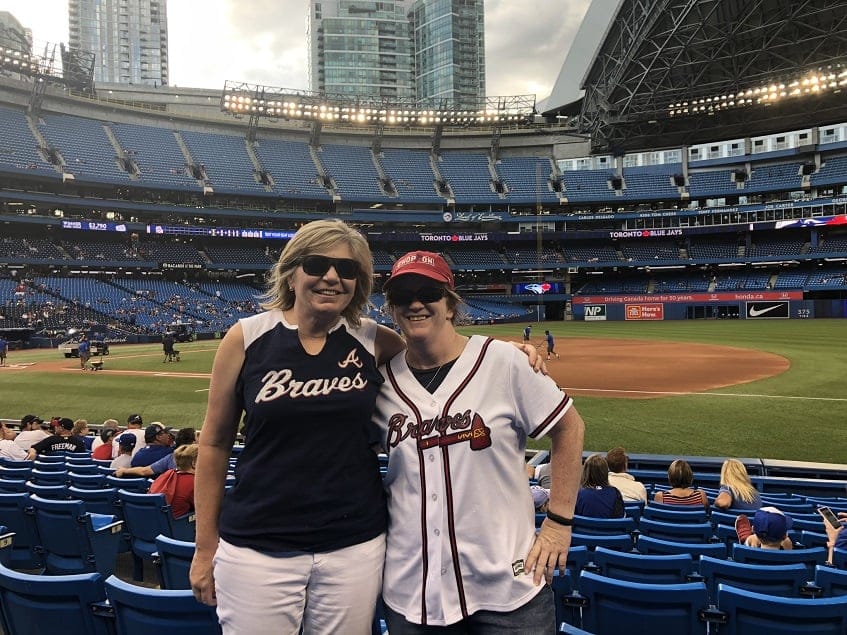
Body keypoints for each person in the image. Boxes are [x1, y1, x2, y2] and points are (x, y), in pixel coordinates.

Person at [190, 219, 407, 634]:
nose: (331, 277)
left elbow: (442, 361)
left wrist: (510, 353)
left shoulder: (376, 341)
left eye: (346, 270)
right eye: (317, 263)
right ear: (292, 271)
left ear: (358, 282)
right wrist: (204, 548)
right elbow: (215, 444)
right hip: (258, 546)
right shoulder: (246, 337)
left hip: (354, 546)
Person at [374, 250, 585, 633]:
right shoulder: (380, 383)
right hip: (412, 593)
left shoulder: (504, 362)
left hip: (509, 588)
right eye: (403, 295)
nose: (416, 302)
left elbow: (569, 427)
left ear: (451, 305)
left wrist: (558, 524)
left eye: (429, 292)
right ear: (391, 309)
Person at [116, 428, 197, 479]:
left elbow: (144, 471)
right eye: (164, 433)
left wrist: (125, 470)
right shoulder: (169, 454)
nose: (168, 435)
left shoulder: (138, 454)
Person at [149, 443, 198, 518]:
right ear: (194, 463)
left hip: (155, 521)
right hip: (180, 525)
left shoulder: (167, 474)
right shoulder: (194, 482)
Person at [575, 454, 625, 518]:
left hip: (583, 528)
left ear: (586, 472)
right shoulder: (615, 493)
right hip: (609, 528)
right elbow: (619, 520)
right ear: (605, 472)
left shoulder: (579, 494)